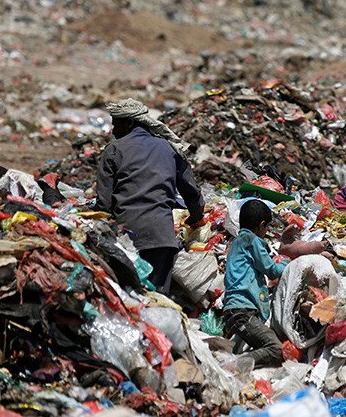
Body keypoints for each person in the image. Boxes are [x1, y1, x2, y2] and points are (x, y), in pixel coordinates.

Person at [96, 99, 204, 293]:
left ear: (129, 122)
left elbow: (104, 204)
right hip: (162, 237)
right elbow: (191, 191)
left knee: (130, 297)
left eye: (116, 124)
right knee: (158, 298)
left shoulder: (114, 150)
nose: (113, 130)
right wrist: (196, 217)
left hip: (127, 240)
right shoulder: (169, 148)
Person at [223, 199, 287, 366]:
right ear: (262, 225)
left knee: (263, 346)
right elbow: (272, 270)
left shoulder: (237, 242)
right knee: (275, 348)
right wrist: (288, 263)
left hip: (235, 310)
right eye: (267, 227)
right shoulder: (252, 240)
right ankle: (232, 366)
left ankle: (237, 365)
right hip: (242, 312)